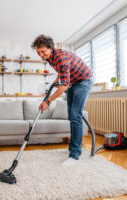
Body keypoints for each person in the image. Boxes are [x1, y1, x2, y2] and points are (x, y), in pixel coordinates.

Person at [31, 34, 93, 167]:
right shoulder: (50, 58)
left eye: (43, 51)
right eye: (38, 52)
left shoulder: (60, 56)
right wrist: (56, 80)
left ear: (50, 47)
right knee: (72, 116)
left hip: (83, 82)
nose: (41, 55)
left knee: (76, 116)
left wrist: (47, 102)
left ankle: (75, 155)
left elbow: (64, 86)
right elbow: (62, 71)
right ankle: (73, 148)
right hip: (72, 82)